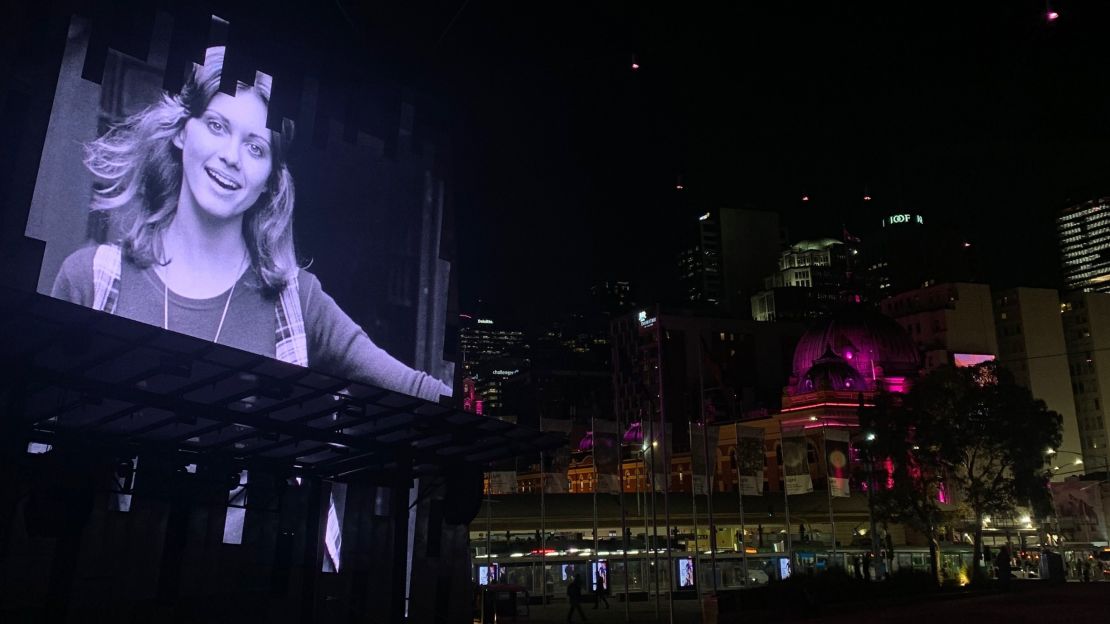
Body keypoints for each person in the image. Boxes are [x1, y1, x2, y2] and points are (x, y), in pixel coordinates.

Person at [50, 47, 449, 402]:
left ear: (270, 181)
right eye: (217, 126)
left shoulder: (298, 303)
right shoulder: (91, 281)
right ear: (181, 133)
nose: (231, 157)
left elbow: (418, 391)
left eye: (255, 147)